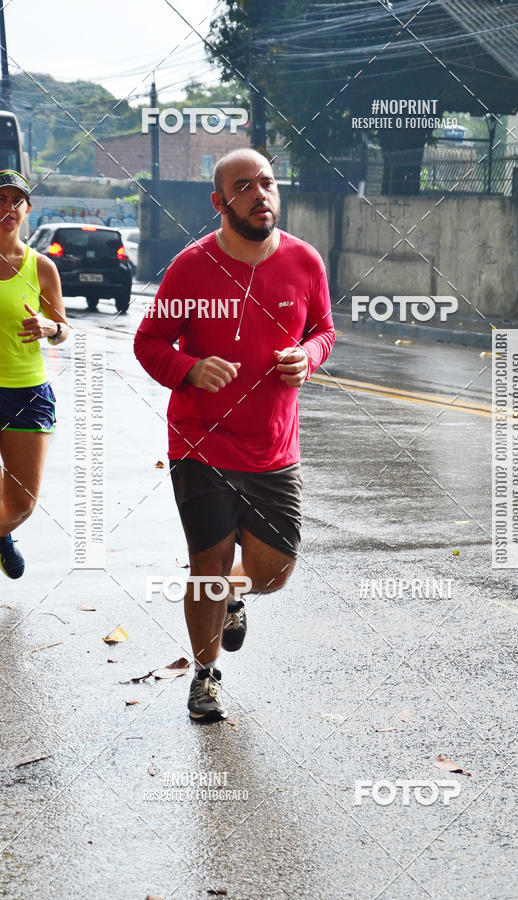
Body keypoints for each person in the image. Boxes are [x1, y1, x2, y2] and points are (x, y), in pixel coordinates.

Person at [134, 148, 335, 721]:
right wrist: (190, 368)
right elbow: (148, 343)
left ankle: (236, 595)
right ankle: (204, 675)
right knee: (209, 565)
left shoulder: (304, 261)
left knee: (274, 571)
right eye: (243, 186)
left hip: (273, 448)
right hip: (202, 442)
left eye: (266, 182)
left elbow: (323, 328)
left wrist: (309, 356)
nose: (259, 193)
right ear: (220, 202)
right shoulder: (191, 267)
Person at [0, 170, 68, 579]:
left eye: (15, 201)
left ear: (27, 210)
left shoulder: (41, 267)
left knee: (22, 503)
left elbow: (62, 331)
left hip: (27, 391)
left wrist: (50, 327)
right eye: (0, 199)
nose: (7, 208)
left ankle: (3, 533)